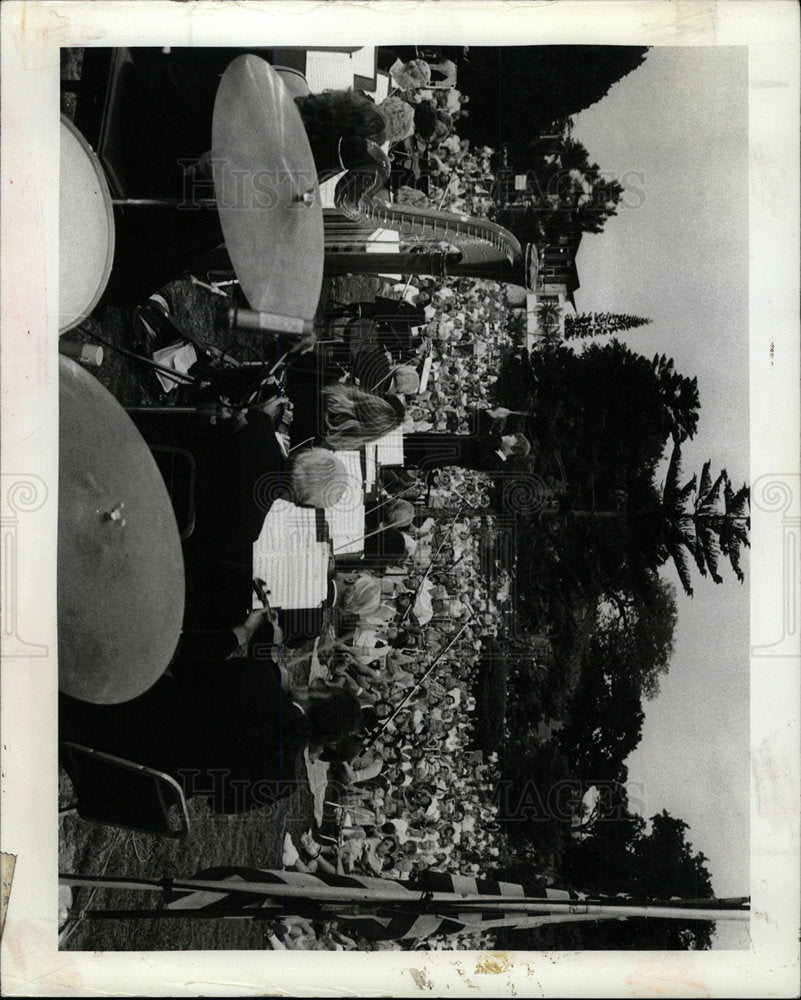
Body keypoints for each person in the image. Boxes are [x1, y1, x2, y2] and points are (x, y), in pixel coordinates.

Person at [101, 53, 387, 307]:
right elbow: (206, 167)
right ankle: (109, 276)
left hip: (152, 86)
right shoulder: (278, 148)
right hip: (144, 137)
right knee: (195, 228)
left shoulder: (292, 92)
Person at [59, 614, 363, 814]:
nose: (317, 680)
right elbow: (221, 803)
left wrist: (241, 632)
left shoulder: (258, 682)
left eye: (323, 684)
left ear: (318, 694)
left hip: (96, 723)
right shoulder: (283, 783)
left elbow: (188, 664)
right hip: (124, 796)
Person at [402, 406, 532, 473]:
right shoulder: (493, 443)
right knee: (403, 440)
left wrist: (499, 438)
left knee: (402, 453)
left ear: (513, 450)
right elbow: (480, 429)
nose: (507, 437)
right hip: (438, 441)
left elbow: (481, 449)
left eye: (511, 438)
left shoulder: (495, 464)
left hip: (436, 454)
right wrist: (494, 414)